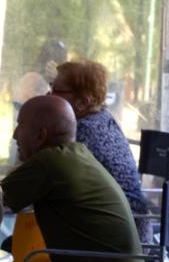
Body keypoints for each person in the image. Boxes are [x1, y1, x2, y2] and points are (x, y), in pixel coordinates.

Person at [0, 95, 147, 262]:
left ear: (40, 135)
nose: (14, 135)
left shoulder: (49, 162)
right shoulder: (78, 154)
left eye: (20, 126)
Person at [50, 60, 151, 241]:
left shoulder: (81, 132)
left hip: (115, 240)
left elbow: (48, 180)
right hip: (133, 233)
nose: (48, 95)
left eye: (56, 91)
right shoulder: (104, 119)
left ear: (83, 102)